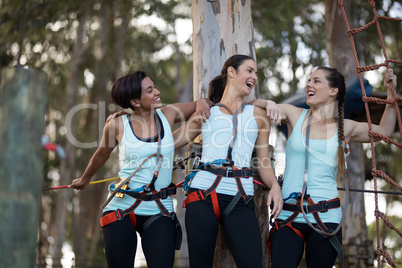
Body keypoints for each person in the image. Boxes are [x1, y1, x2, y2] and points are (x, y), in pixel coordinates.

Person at [69, 70, 212, 268]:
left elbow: (200, 106)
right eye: (150, 90)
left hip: (159, 209)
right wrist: (84, 179)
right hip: (122, 207)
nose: (157, 92)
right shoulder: (117, 124)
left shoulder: (168, 114)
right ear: (136, 101)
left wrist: (203, 101)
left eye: (154, 87)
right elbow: (102, 153)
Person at [260, 67, 397, 268]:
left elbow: (385, 131)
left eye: (316, 81)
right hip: (288, 216)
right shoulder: (293, 114)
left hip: (326, 218)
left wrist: (390, 93)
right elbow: (255, 107)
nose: (309, 85)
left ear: (333, 91)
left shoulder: (346, 126)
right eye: (308, 81)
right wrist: (268, 103)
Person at [173, 54, 283, 268]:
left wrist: (275, 187)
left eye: (256, 73)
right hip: (202, 195)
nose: (254, 76)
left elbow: (263, 163)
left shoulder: (259, 115)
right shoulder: (206, 112)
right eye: (249, 70)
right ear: (231, 72)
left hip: (240, 198)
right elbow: (169, 142)